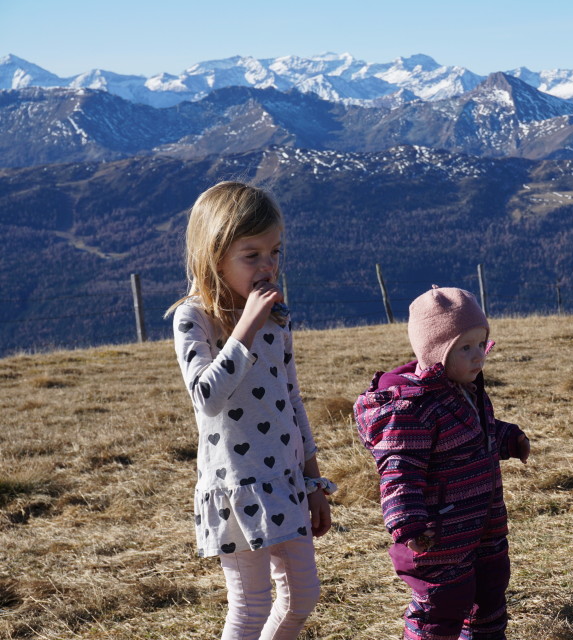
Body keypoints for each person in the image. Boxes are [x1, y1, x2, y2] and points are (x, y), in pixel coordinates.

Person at [167, 181, 334, 640]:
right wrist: (244, 327)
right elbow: (206, 397)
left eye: (274, 251)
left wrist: (313, 481)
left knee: (303, 596)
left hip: (286, 480)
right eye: (251, 255)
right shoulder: (194, 318)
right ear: (215, 255)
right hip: (236, 486)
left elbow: (292, 398)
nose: (268, 266)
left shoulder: (277, 319)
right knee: (252, 604)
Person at [354, 285, 531, 640]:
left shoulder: (466, 388)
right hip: (439, 540)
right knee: (441, 610)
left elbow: (475, 432)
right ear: (435, 352)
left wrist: (506, 438)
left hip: (484, 526)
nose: (478, 356)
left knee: (489, 594)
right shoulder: (411, 409)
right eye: (465, 347)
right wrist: (408, 523)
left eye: (481, 344)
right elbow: (399, 470)